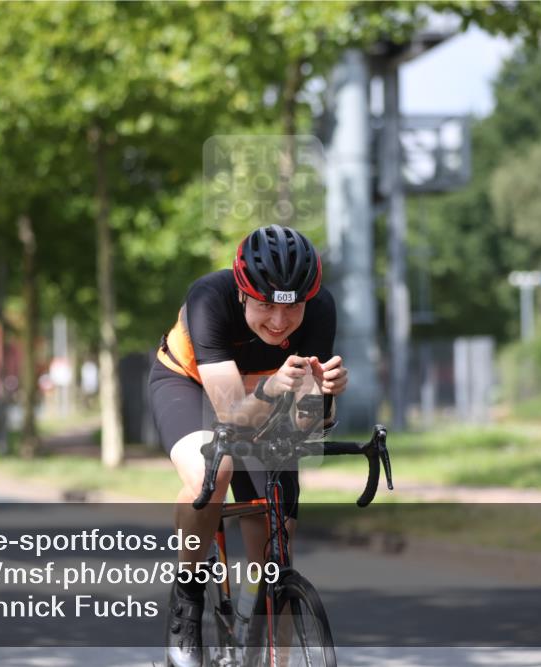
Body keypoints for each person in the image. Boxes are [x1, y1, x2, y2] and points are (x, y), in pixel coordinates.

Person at [149, 225, 348, 667]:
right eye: (265, 307)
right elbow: (230, 417)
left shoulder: (321, 311)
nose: (279, 323)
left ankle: (259, 644)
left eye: (293, 308)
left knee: (276, 536)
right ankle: (187, 598)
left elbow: (304, 421)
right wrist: (276, 388)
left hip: (264, 394)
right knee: (211, 473)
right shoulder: (209, 298)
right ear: (242, 293)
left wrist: (327, 395)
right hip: (193, 385)